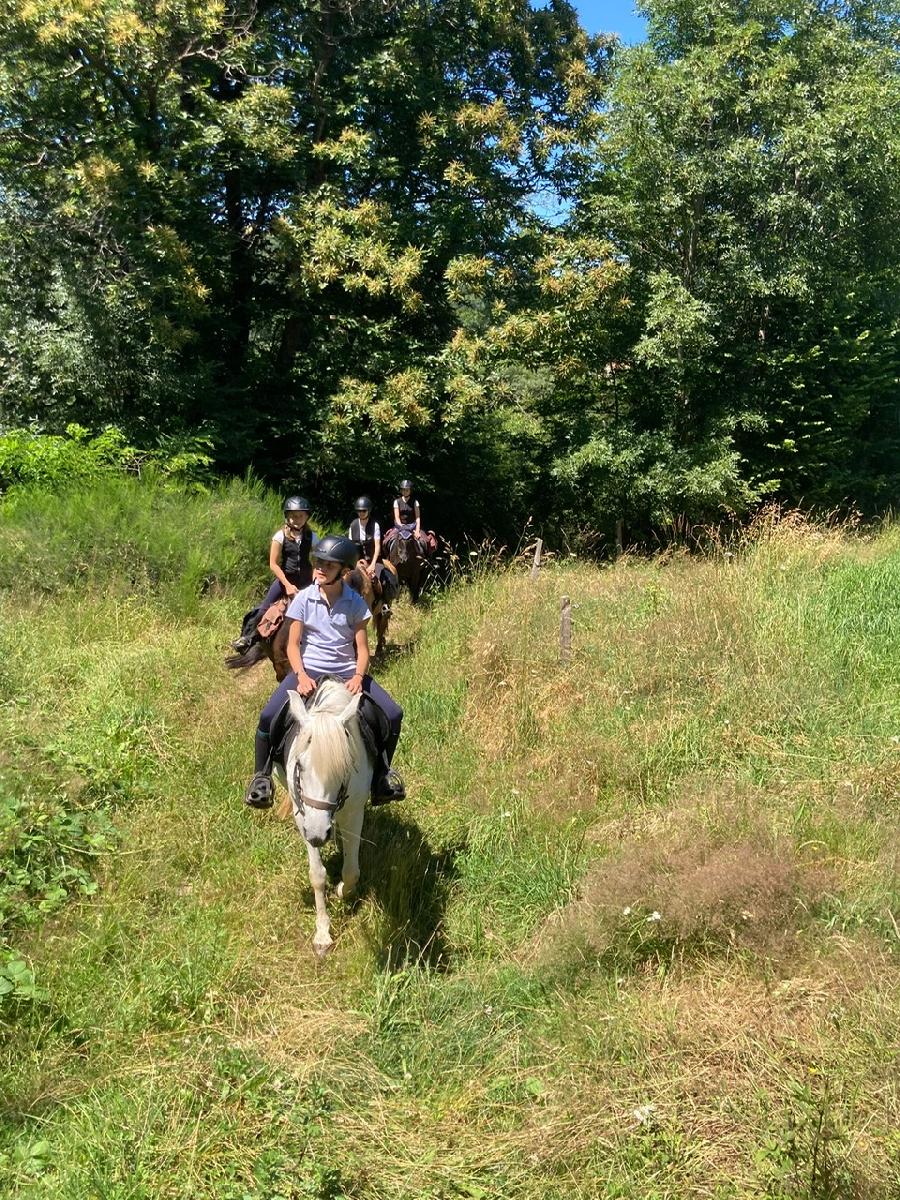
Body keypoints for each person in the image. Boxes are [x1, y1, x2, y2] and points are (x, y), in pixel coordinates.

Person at [243, 534, 406, 809]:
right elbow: (293, 646)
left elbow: (362, 650)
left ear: (343, 572)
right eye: (318, 562)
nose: (319, 568)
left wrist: (357, 676)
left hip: (346, 672)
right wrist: (302, 675)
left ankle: (381, 776)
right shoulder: (304, 599)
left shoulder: (355, 603)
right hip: (310, 670)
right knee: (267, 716)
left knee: (393, 714)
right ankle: (261, 778)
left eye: (328, 565)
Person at [232, 496, 319, 653]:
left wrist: (315, 581)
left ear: (306, 516)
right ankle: (247, 638)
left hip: (306, 581)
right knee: (265, 607)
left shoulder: (313, 537)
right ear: (287, 516)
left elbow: (316, 562)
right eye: (293, 516)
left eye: (300, 515)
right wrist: (287, 585)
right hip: (285, 580)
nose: (297, 519)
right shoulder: (280, 536)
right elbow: (273, 564)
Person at [348, 495, 397, 613]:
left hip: (374, 560)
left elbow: (377, 547)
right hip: (357, 561)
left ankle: (385, 606)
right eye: (358, 511)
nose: (361, 513)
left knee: (382, 581)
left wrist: (373, 564)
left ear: (368, 511)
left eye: (363, 511)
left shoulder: (375, 525)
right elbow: (350, 546)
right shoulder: (353, 525)